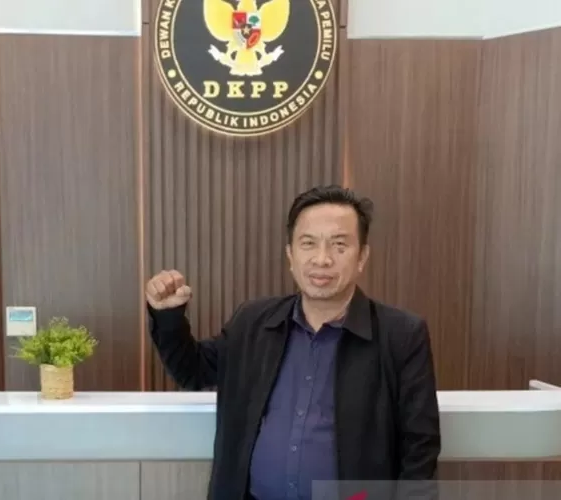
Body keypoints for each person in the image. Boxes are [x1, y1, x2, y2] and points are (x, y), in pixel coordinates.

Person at [145, 185, 441, 500]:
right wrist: (168, 318)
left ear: (362, 257)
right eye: (308, 243)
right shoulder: (253, 322)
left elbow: (419, 447)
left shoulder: (401, 335)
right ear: (290, 255)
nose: (322, 259)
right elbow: (193, 371)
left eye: (339, 245)